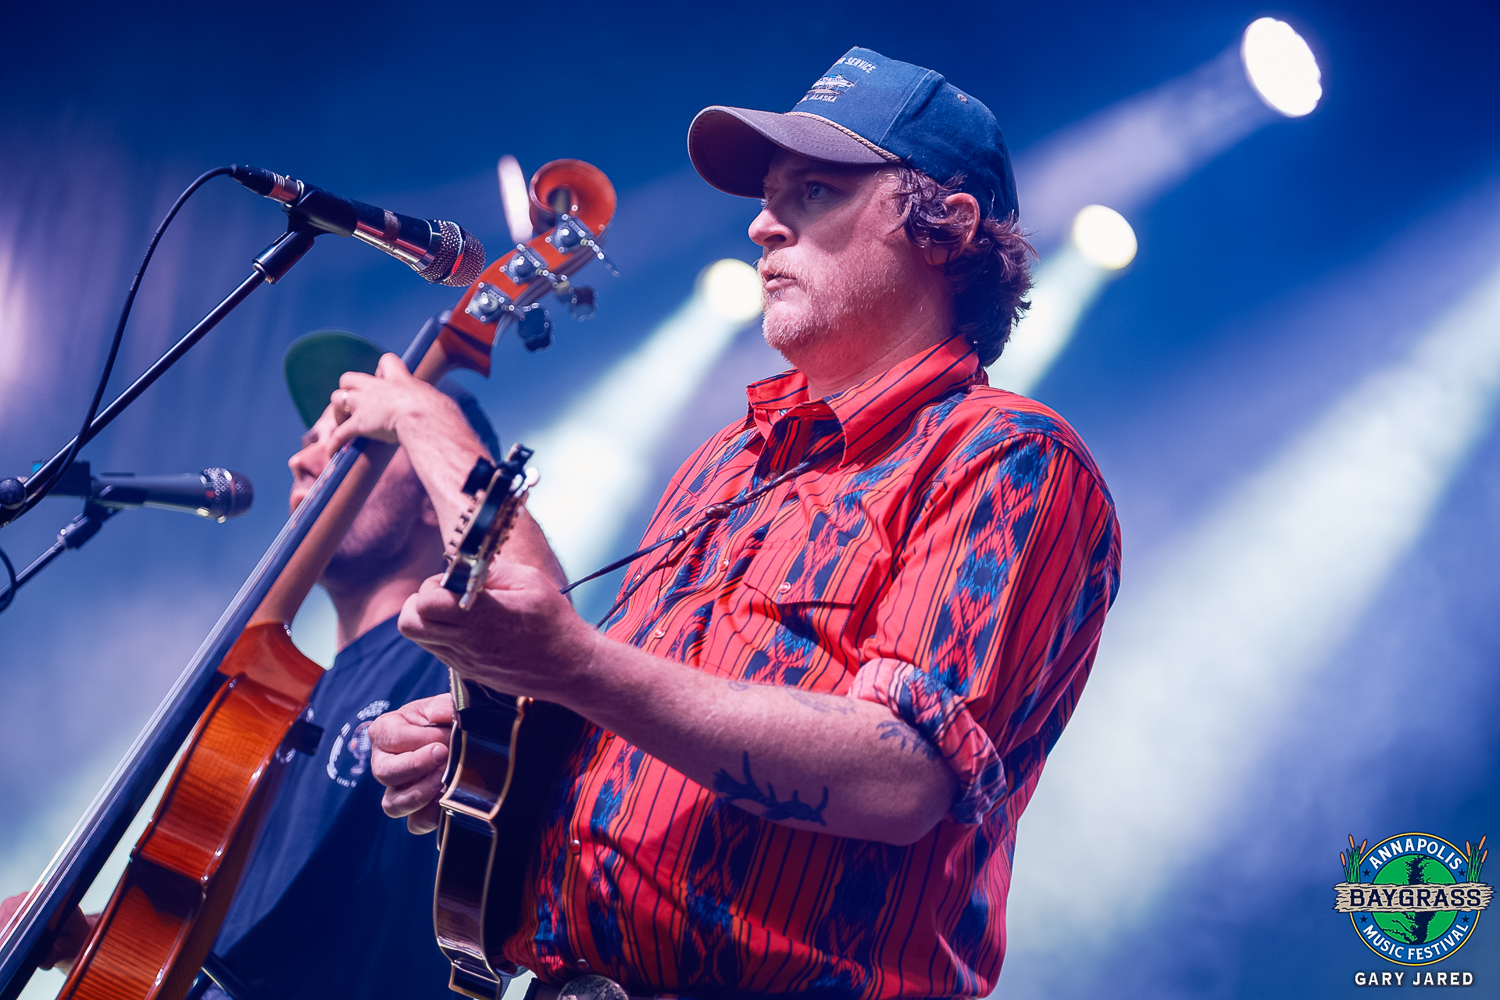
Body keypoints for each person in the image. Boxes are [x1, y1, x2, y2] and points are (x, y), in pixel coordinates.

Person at [334, 48, 1122, 1000]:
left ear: (945, 227)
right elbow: (632, 714)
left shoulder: (1008, 455)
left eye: (817, 191)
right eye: (766, 195)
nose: (759, 222)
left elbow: (902, 778)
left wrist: (567, 664)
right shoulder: (726, 462)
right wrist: (497, 746)